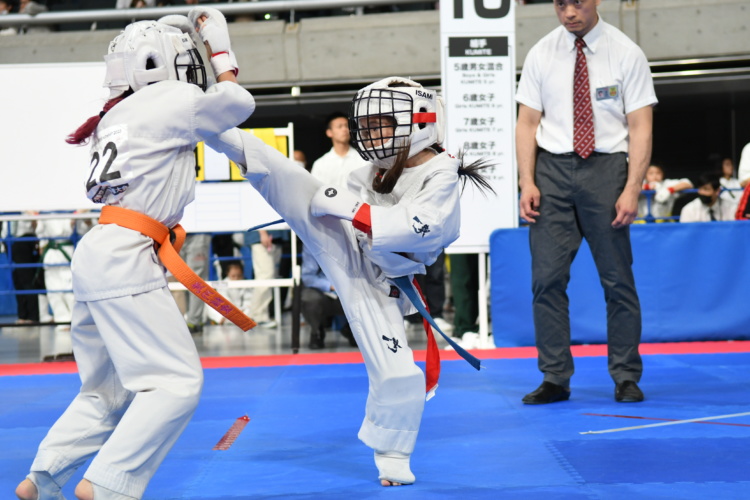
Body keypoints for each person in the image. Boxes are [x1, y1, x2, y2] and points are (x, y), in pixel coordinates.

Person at [205, 75, 492, 486]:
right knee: (292, 178)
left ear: (422, 122)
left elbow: (422, 226)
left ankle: (393, 457)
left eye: (382, 125)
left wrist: (352, 208)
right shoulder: (371, 170)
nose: (372, 135)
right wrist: (336, 207)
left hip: (387, 284)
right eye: (368, 126)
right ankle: (218, 132)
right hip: (351, 252)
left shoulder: (441, 174)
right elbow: (327, 203)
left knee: (399, 375)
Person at [15, 9, 254, 500]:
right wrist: (219, 47)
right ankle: (107, 484)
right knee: (175, 384)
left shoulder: (115, 115)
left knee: (105, 389)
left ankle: (42, 476)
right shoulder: (172, 98)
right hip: (127, 253)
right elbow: (236, 101)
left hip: (100, 250)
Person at [515, 0, 657, 405]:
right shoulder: (542, 52)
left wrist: (632, 187)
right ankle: (555, 377)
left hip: (607, 169)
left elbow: (640, 126)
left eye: (576, 2)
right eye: (560, 4)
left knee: (617, 280)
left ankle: (626, 374)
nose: (569, 12)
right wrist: (527, 180)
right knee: (546, 279)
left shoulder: (625, 51)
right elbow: (527, 122)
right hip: (551, 172)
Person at [300, 242, 355, 349]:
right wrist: (330, 286)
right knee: (309, 299)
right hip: (323, 287)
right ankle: (317, 331)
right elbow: (308, 277)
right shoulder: (310, 241)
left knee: (364, 295)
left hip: (349, 286)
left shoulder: (351, 240)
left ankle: (352, 330)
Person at [244, 228, 288, 328]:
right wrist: (262, 232)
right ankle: (258, 316)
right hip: (262, 237)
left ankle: (258, 314)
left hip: (276, 236)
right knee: (265, 276)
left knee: (270, 278)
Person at [310, 111, 367, 187]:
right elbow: (316, 190)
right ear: (329, 132)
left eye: (347, 126)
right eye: (339, 126)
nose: (344, 129)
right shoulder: (320, 164)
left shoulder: (363, 159)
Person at [205, 260, 252, 325]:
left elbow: (249, 301)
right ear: (228, 273)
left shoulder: (247, 284)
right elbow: (224, 302)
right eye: (233, 276)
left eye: (238, 276)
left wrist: (241, 312)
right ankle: (222, 320)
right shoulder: (222, 284)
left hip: (242, 314)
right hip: (226, 315)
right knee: (208, 303)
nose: (236, 279)